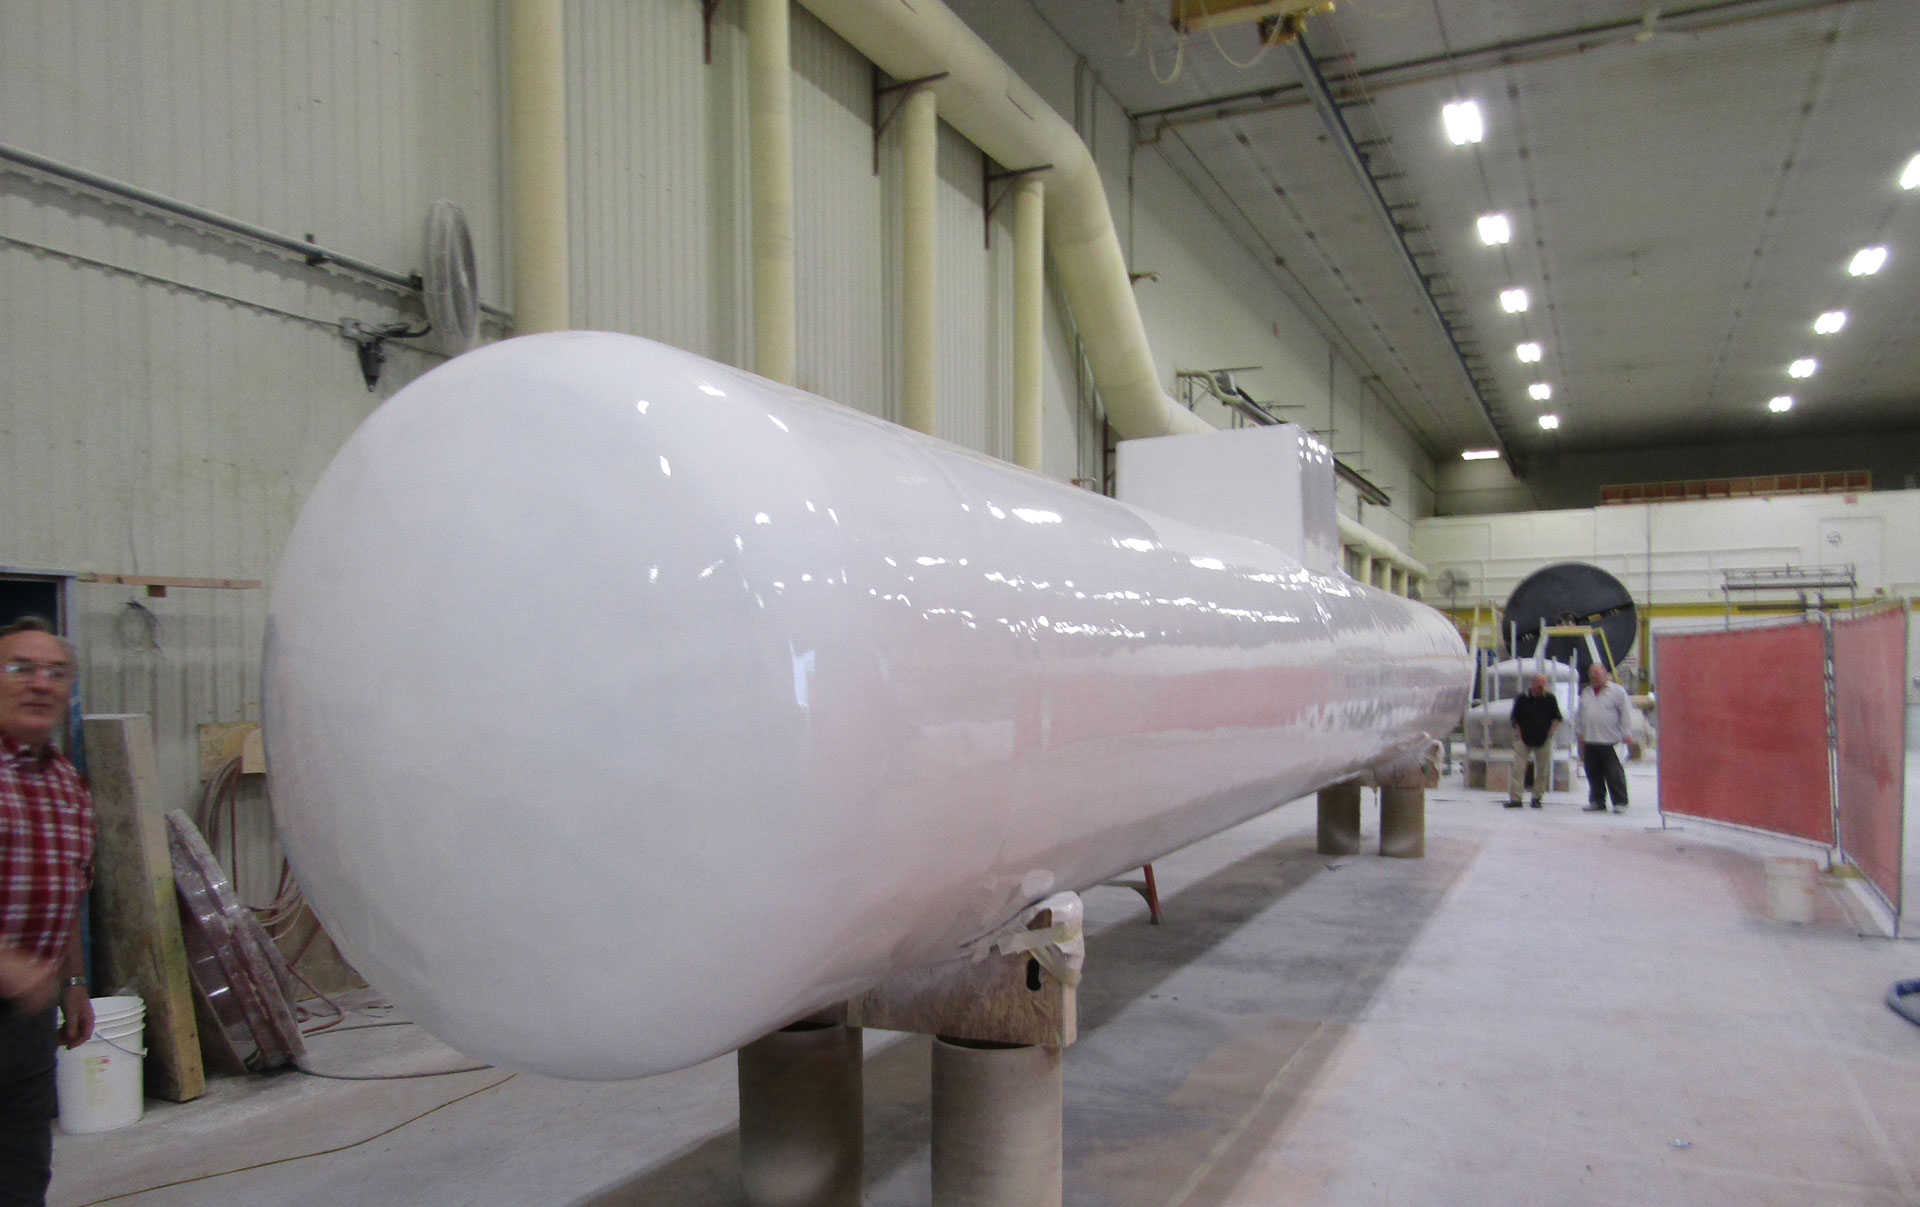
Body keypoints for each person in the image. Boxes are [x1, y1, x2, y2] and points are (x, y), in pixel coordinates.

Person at [0, 617, 95, 1206]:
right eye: (20, 668)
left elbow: (68, 893)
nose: (40, 683)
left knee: (21, 1170)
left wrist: (73, 983)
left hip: (27, 1023)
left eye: (56, 672)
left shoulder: (66, 784)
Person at [1577, 660, 1632, 814]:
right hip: (1590, 739)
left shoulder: (1617, 692)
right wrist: (1580, 733)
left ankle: (1620, 801)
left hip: (1610, 740)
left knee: (1614, 773)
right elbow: (1580, 715)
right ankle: (1597, 801)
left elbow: (1626, 712)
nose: (1594, 677)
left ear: (1605, 674)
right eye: (1592, 674)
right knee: (1593, 772)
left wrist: (1627, 732)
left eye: (1597, 674)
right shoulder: (1586, 693)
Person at [1507, 672, 1561, 809]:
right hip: (1524, 737)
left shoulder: (1550, 698)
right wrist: (1519, 733)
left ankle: (1537, 797)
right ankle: (1516, 798)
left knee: (1542, 769)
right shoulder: (1522, 698)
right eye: (1539, 682)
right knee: (1518, 768)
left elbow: (1557, 717)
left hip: (1544, 738)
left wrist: (1551, 731)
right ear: (1532, 683)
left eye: (1544, 682)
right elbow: (1515, 718)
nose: (1541, 685)